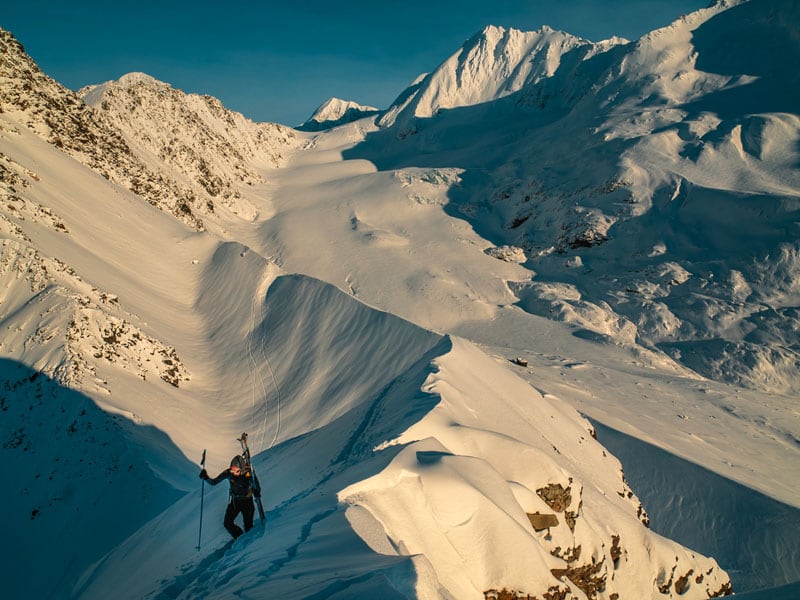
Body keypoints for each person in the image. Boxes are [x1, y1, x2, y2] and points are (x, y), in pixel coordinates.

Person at [200, 454, 262, 539]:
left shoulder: (249, 474)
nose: (233, 472)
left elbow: (256, 485)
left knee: (249, 527)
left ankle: (247, 542)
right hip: (235, 502)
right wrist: (206, 477)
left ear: (242, 469)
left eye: (236, 471)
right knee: (227, 523)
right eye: (232, 470)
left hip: (247, 502)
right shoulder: (229, 473)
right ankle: (239, 538)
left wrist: (256, 491)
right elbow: (214, 482)